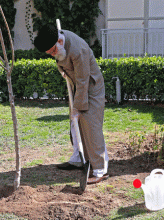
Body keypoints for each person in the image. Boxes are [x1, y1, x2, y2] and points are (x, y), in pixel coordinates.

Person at [34, 24, 109, 184]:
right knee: (75, 123)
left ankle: (99, 170)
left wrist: (78, 106)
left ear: (60, 42)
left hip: (91, 87)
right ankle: (78, 158)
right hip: (78, 86)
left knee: (91, 124)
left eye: (53, 51)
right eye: (50, 53)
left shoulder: (77, 50)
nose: (52, 55)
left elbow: (83, 81)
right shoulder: (58, 41)